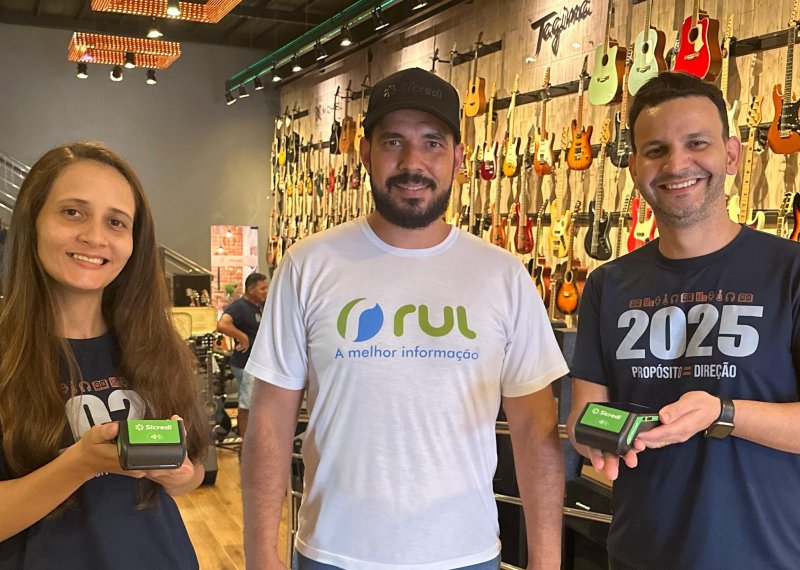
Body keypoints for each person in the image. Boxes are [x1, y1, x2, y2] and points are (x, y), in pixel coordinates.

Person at [242, 67, 568, 570]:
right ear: (365, 153)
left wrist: (547, 563)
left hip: (465, 556)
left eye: (432, 143)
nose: (412, 162)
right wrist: (262, 558)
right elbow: (269, 419)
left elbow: (535, 428)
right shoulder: (308, 265)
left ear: (458, 157)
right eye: (393, 141)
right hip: (333, 555)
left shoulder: (503, 275)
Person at [567, 71, 800, 569]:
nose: (676, 164)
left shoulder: (791, 272)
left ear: (731, 155)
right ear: (634, 167)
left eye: (697, 143)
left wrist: (722, 413)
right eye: (656, 150)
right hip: (637, 556)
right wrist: (596, 441)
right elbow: (584, 415)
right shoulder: (607, 285)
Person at [0, 142, 208, 569]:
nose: (95, 237)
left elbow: (193, 473)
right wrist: (78, 463)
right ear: (32, 221)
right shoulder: (8, 354)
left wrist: (181, 473)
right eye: (72, 212)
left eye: (116, 222)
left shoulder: (155, 345)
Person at [216, 272, 268, 437]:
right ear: (251, 290)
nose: (266, 292)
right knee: (247, 404)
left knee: (257, 404)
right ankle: (245, 441)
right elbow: (222, 324)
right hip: (245, 364)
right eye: (262, 289)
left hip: (258, 363)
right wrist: (242, 337)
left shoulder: (259, 306)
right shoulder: (239, 306)